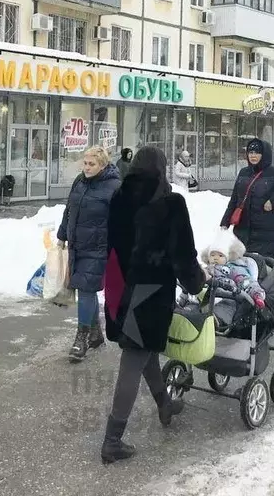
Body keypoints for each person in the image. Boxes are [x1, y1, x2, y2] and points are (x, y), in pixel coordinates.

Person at [100, 146, 206, 464]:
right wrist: (197, 284)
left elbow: (111, 243)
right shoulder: (169, 203)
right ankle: (112, 440)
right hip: (148, 294)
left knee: (143, 354)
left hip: (118, 288)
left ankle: (164, 404)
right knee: (134, 360)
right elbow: (183, 256)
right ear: (161, 169)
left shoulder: (119, 197)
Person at [58, 146, 121, 362]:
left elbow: (121, 221)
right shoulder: (79, 181)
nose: (86, 167)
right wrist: (61, 235)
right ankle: (95, 334)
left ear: (103, 165)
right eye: (84, 163)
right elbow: (69, 209)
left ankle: (81, 337)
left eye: (91, 164)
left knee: (85, 288)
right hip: (78, 246)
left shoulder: (114, 187)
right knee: (86, 288)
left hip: (98, 248)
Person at [220, 139, 274, 258]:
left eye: (257, 152)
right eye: (250, 152)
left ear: (264, 154)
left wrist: (273, 201)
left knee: (265, 269)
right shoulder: (243, 172)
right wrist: (225, 221)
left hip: (266, 232)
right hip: (244, 230)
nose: (253, 155)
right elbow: (235, 199)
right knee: (244, 269)